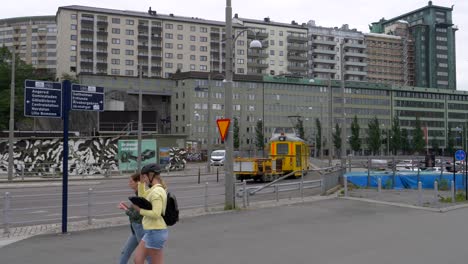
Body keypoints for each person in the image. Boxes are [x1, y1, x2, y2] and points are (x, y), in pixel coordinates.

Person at [132, 163, 168, 264]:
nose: (144, 179)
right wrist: (141, 184)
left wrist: (140, 210)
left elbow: (156, 214)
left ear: (151, 175)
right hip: (150, 231)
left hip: (156, 232)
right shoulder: (153, 190)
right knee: (138, 260)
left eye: (145, 177)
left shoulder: (156, 192)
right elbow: (142, 197)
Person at [118, 173, 150, 264]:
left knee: (146, 256)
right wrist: (128, 208)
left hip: (140, 227)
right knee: (125, 252)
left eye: (131, 181)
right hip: (135, 229)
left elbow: (137, 215)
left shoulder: (141, 195)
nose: (129, 183)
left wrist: (125, 209)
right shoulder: (138, 194)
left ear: (138, 183)